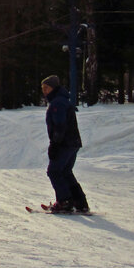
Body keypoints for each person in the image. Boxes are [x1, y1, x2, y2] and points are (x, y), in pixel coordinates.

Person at [41, 75, 88, 213]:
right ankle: (80, 202)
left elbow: (60, 125)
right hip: (72, 142)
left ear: (53, 88)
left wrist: (55, 144)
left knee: (54, 171)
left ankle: (65, 201)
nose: (44, 91)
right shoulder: (61, 100)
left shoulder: (58, 103)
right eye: (43, 88)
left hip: (64, 143)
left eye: (46, 88)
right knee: (65, 172)